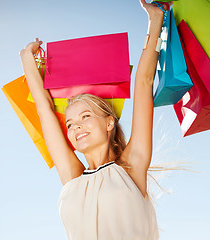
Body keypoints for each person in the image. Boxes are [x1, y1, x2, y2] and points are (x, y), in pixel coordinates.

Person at [19, 1, 173, 239]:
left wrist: (155, 21)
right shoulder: (72, 178)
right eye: (70, 124)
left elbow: (143, 81)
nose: (76, 126)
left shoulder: (131, 165)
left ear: (109, 123)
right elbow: (45, 110)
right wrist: (27, 62)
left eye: (86, 116)